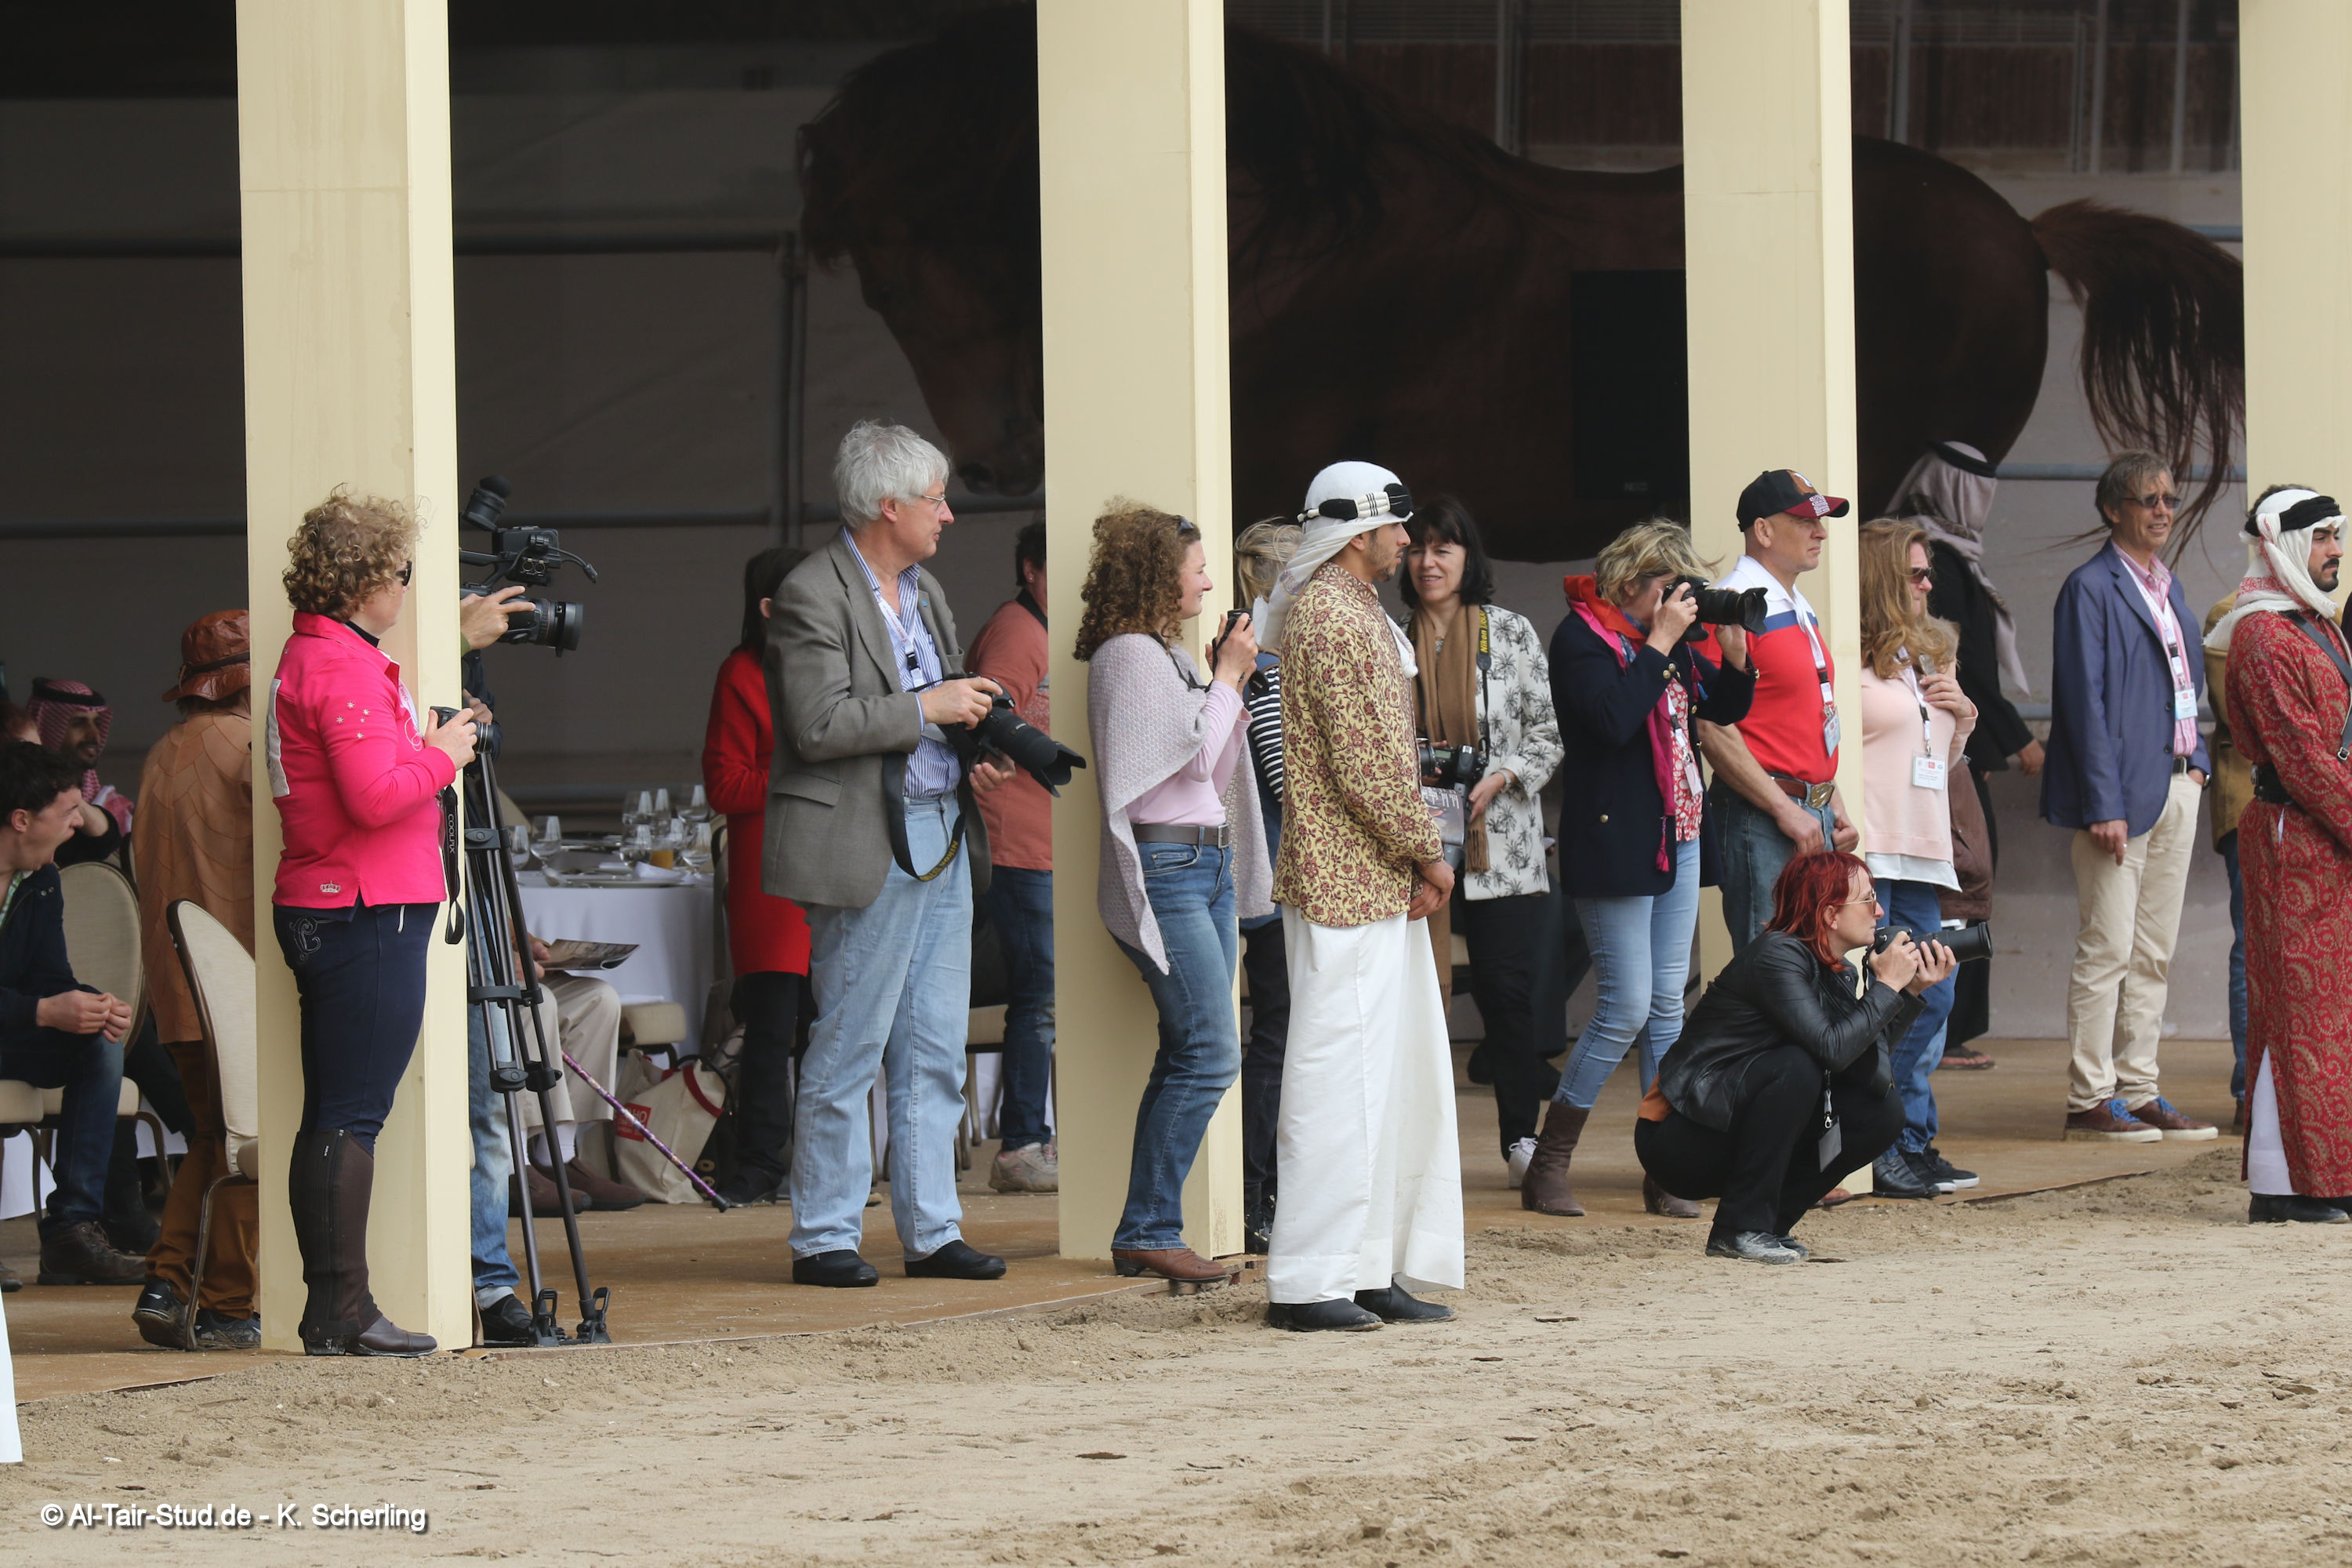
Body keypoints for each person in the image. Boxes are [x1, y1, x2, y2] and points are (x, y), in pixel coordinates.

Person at [765, 419, 1014, 1289]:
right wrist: (928, 709)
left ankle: (932, 1229)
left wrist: (973, 745)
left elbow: (936, 708)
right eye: (934, 500)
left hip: (939, 824)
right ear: (887, 505)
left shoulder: (923, 589)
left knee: (935, 1043)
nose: (948, 514)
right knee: (851, 1040)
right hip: (865, 837)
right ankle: (823, 1235)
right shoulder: (812, 591)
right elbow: (816, 723)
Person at [267, 487, 479, 1355]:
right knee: (351, 1114)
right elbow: (373, 796)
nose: (406, 587)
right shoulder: (343, 667)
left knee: (335, 1111)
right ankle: (341, 1310)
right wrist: (444, 755)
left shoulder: (317, 657)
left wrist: (422, 741)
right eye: (402, 571)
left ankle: (335, 1308)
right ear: (365, 583)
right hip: (364, 906)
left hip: (336, 902)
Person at [1257, 460, 1462, 1332]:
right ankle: (1308, 1279)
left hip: (1368, 878)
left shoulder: (1349, 609)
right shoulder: (1334, 616)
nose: (1408, 541)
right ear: (1357, 532)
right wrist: (1430, 855)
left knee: (1388, 1076)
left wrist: (1413, 858)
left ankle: (1366, 1264)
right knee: (1337, 1079)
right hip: (1345, 881)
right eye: (1396, 525)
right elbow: (1367, 766)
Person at [1534, 519, 1755, 1219]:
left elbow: (1718, 711)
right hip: (1617, 843)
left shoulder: (1668, 644)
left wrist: (1735, 659)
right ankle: (1549, 1162)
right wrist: (1660, 642)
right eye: (1670, 585)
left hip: (1676, 833)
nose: (1681, 599)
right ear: (1630, 582)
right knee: (1625, 1007)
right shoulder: (1581, 640)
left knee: (1666, 1007)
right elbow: (1610, 721)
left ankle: (1666, 1167)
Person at [1080, 503, 1272, 1283]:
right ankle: (1149, 1228)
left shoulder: (1166, 656)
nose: (1208, 582)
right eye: (1196, 568)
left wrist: (1225, 682)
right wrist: (1225, 678)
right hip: (1169, 868)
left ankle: (1146, 1229)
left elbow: (1213, 766)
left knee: (1191, 1049)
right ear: (1159, 575)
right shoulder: (1128, 655)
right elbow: (1185, 762)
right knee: (1211, 1053)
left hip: (1203, 866)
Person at [1639, 851, 1953, 1263]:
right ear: (1830, 915)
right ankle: (1739, 1228)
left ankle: (1769, 1226)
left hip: (1730, 1128)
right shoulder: (1777, 956)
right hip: (1680, 1137)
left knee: (1881, 1113)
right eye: (1868, 900)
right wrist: (1888, 987)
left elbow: (1864, 1066)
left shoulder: (1836, 970)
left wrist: (1907, 993)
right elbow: (1832, 1050)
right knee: (1796, 1067)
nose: (1879, 911)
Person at [2041, 451, 2216, 1143]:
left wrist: (2198, 763)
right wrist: (2102, 802)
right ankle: (2090, 1097)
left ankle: (2139, 1089)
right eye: (2148, 500)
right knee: (2108, 948)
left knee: (2153, 953)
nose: (2163, 511)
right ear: (2114, 509)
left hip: (2176, 785)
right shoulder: (2090, 587)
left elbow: (2187, 688)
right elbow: (2081, 702)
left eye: (2168, 499)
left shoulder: (2170, 587)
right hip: (2118, 798)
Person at [1399, 498, 1563, 1186]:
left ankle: (1521, 1140)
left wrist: (1501, 776)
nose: (1428, 562)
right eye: (1418, 548)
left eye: (1444, 548)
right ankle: (1415, 1154)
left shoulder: (1510, 631)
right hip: (1414, 844)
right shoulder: (1391, 640)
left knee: (1506, 992)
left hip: (1502, 844)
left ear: (1469, 558)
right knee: (1415, 996)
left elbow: (1547, 734)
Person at [2207, 486, 2352, 1224]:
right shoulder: (2262, 634)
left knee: (2333, 1012)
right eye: (2322, 536)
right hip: (2295, 837)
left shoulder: (2316, 624)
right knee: (2299, 1013)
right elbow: (2303, 760)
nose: (2335, 550)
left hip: (2331, 839)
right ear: (2282, 543)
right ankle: (2286, 1184)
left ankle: (2330, 1172)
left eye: (2337, 535)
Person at [127, 611, 263, 1349]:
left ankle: (169, 1280)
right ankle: (227, 1304)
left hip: (175, 986)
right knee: (249, 1142)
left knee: (216, 1136)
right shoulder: (246, 748)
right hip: (236, 985)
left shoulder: (160, 753)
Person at [1896, 441, 2036, 1071]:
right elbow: (1967, 667)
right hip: (1945, 763)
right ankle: (1941, 1031)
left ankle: (1947, 1028)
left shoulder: (1952, 559)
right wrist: (2017, 737)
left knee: (1966, 885)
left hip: (1958, 748)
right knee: (1959, 887)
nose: (1922, 584)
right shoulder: (1938, 561)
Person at [1854, 519, 1980, 1200]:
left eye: (1928, 573)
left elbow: (1938, 759)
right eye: (1916, 573)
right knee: (1888, 997)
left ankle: (1902, 1140)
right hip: (1874, 849)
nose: (1928, 585)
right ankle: (1881, 1142)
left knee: (1934, 994)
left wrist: (1963, 715)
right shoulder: (1849, 655)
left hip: (1923, 850)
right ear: (1882, 579)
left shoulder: (1925, 655)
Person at [0, 740, 146, 1292]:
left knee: (99, 1040)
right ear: (21, 820)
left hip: (11, 1029)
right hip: (16, 1021)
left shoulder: (40, 880)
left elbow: (49, 976)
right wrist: (43, 1010)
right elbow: (39, 1001)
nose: (77, 825)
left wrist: (88, 1004)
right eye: (67, 813)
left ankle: (71, 1231)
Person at [1694, 470, 1859, 949]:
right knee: (1772, 971)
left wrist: (1831, 798)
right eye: (1805, 521)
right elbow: (1712, 725)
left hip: (1804, 811)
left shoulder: (1793, 602)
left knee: (1812, 966)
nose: (1821, 532)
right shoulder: (1730, 606)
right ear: (1763, 531)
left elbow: (1800, 716)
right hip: (1765, 816)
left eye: (1820, 521)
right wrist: (1784, 809)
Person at [699, 543, 815, 1208]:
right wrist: (801, 777)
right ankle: (761, 1160)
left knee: (831, 1027)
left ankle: (823, 1163)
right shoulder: (741, 673)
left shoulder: (840, 665)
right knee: (772, 1029)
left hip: (834, 866)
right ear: (771, 609)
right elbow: (724, 784)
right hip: (772, 875)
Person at [966, 520, 1058, 1194]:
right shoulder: (1018, 631)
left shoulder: (1043, 629)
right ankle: (1022, 1142)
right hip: (1014, 844)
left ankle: (1027, 1135)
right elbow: (986, 717)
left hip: (1041, 843)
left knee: (1044, 994)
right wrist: (994, 759)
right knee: (1038, 994)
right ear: (1030, 569)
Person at [1232, 518, 1300, 1254]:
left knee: (1274, 1035)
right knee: (1278, 1037)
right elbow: (1286, 780)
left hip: (1266, 874)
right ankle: (1257, 1195)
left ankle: (1260, 1193)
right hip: (1279, 877)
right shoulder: (1270, 664)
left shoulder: (1252, 655)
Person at [2201, 588, 2255, 1131]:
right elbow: (2244, 715)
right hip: (2253, 803)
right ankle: (2253, 1091)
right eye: (2320, 545)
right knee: (2256, 946)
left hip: (2325, 803)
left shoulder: (2329, 615)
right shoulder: (2232, 613)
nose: (2334, 550)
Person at [26, 678, 135, 835]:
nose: (94, 735)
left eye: (97, 724)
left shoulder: (117, 809)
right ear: (46, 729)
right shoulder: (21, 804)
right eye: (78, 724)